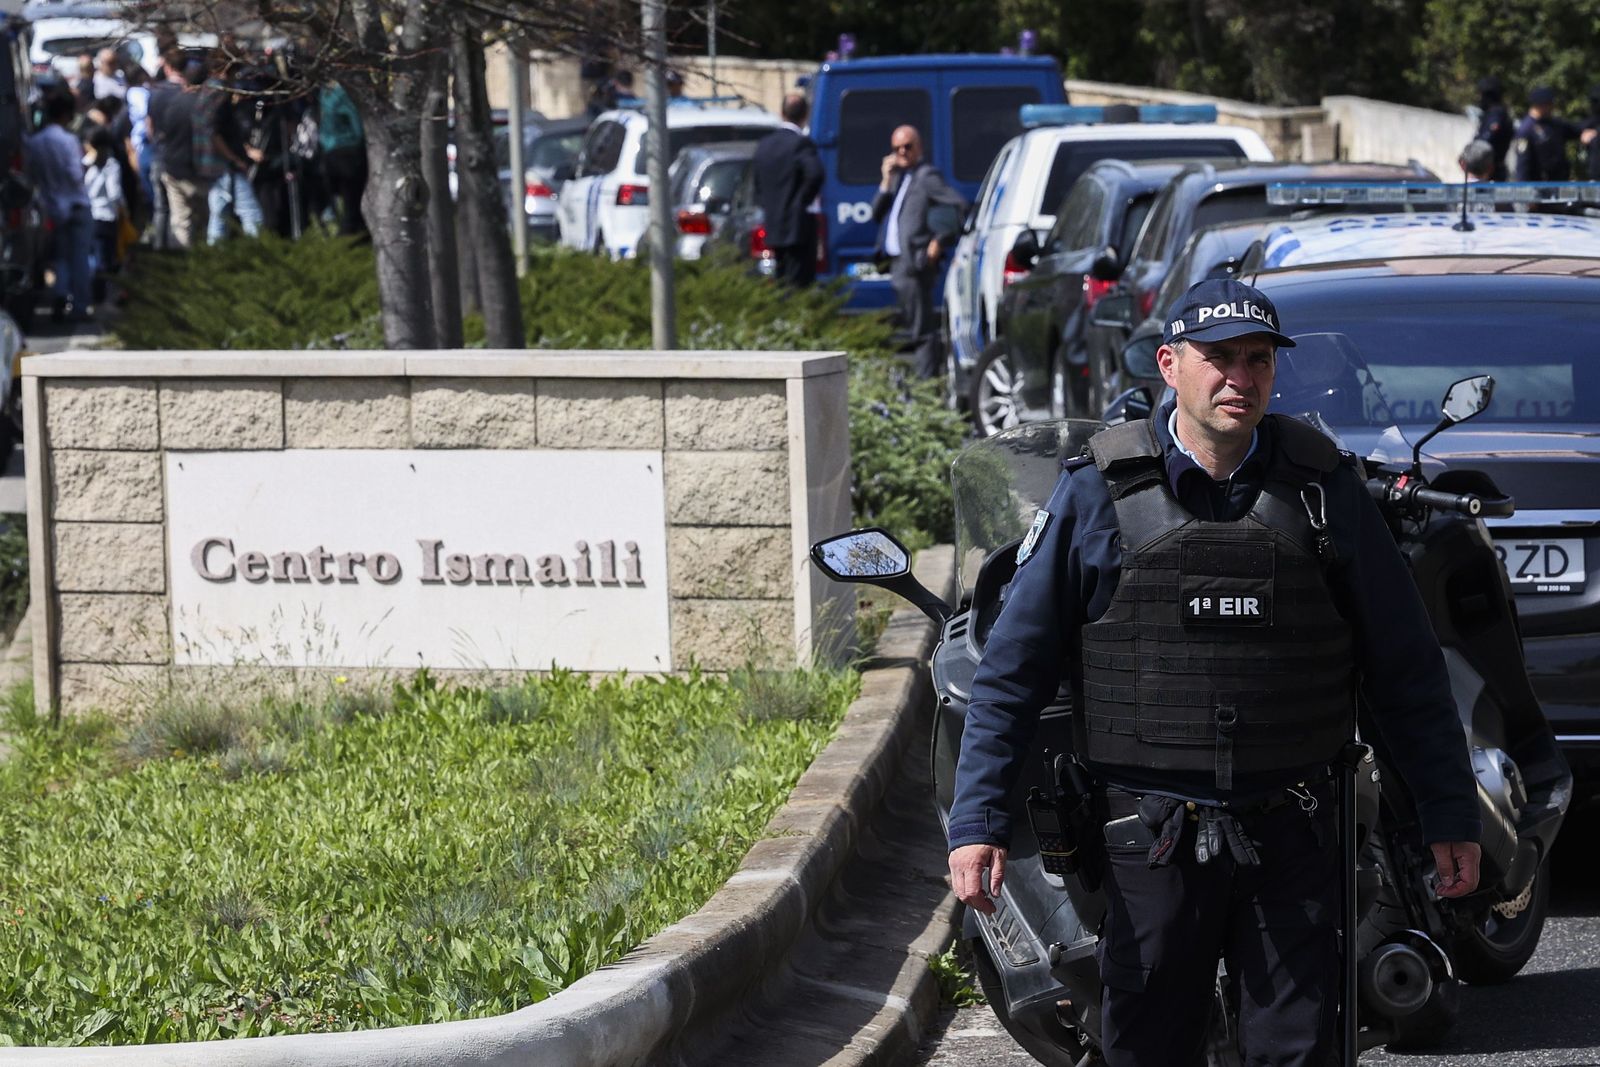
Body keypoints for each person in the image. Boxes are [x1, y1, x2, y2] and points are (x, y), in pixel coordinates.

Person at [946, 277, 1483, 1066]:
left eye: (1258, 359)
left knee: (1297, 1050)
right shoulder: (1097, 491)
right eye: (1219, 357)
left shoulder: (1324, 490)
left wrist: (1448, 811)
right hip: (1148, 835)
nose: (1240, 376)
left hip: (1296, 828)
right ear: (1171, 363)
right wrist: (978, 822)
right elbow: (1013, 670)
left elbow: (1405, 668)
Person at [872, 124, 965, 378]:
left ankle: (927, 389)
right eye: (897, 148)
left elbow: (958, 205)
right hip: (896, 262)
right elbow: (875, 213)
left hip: (914, 262)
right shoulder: (900, 178)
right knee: (913, 327)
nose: (902, 152)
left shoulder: (926, 176)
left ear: (919, 148)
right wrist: (885, 180)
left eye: (907, 146)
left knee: (922, 330)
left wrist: (939, 240)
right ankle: (922, 384)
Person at [27, 91, 94, 320]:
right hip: (76, 203)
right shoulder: (68, 140)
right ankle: (80, 306)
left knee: (59, 258)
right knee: (80, 258)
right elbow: (75, 174)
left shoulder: (34, 142)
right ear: (66, 114)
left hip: (53, 206)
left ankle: (60, 294)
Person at [752, 92, 824, 287]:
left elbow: (757, 184)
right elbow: (816, 173)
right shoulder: (800, 143)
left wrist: (770, 206)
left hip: (774, 227)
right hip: (798, 228)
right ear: (805, 115)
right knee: (798, 284)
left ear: (782, 113)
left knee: (781, 282)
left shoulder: (764, 145)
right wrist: (801, 202)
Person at [147, 49, 210, 249]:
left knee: (177, 218)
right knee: (202, 220)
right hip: (197, 169)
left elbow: (153, 130)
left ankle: (171, 255)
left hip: (169, 163)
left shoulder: (160, 96)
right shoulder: (203, 105)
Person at [205, 60, 265, 243]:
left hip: (211, 164)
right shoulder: (221, 95)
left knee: (218, 217)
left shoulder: (205, 90)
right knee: (252, 215)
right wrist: (234, 159)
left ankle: (214, 259)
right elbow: (214, 132)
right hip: (227, 165)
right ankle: (259, 256)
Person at [318, 80, 366, 235]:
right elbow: (357, 126)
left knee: (341, 203)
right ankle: (351, 239)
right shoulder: (343, 94)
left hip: (329, 153)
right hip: (348, 153)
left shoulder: (325, 92)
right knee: (353, 204)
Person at [83, 124, 124, 297]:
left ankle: (93, 290)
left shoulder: (85, 163)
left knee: (92, 255)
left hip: (90, 215)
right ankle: (100, 292)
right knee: (105, 258)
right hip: (107, 217)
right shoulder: (111, 164)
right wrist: (123, 211)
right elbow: (115, 194)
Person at [1513, 85, 1585, 181]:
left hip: (1559, 181)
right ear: (1541, 105)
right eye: (1549, 104)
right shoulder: (1526, 129)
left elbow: (1575, 130)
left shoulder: (1555, 124)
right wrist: (1524, 187)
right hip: (1540, 184)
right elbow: (1523, 163)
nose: (1552, 107)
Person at [1473, 76, 1512, 180]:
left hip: (1490, 172)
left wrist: (1471, 156)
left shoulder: (1496, 114)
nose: (1479, 98)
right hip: (1486, 170)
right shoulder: (1492, 113)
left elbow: (1485, 141)